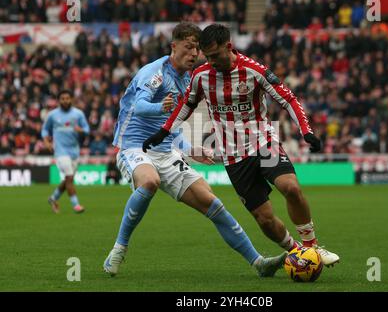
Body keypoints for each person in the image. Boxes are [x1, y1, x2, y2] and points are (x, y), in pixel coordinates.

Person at [143, 23, 340, 266]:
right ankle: (296, 251)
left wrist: (306, 131)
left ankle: (312, 247)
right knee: (264, 220)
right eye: (208, 56)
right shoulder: (201, 75)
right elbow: (187, 105)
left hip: (263, 142)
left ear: (229, 46)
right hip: (233, 156)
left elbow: (288, 98)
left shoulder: (254, 70)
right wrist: (163, 132)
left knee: (290, 188)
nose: (211, 61)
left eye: (216, 55)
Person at [103, 22, 287, 277]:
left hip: (166, 151)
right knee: (149, 182)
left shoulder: (189, 79)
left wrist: (191, 149)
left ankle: (258, 263)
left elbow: (172, 127)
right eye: (188, 47)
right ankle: (119, 248)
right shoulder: (154, 72)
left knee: (212, 202)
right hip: (134, 147)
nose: (193, 54)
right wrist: (161, 107)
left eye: (197, 49)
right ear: (174, 46)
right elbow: (139, 106)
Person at [42, 89, 90, 214]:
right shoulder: (52, 115)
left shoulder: (78, 114)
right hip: (60, 151)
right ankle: (76, 205)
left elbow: (87, 129)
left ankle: (53, 199)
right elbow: (44, 130)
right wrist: (47, 142)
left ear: (71, 99)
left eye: (67, 98)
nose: (65, 101)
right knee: (69, 177)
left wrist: (81, 130)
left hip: (74, 151)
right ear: (59, 100)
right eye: (62, 98)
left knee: (69, 180)